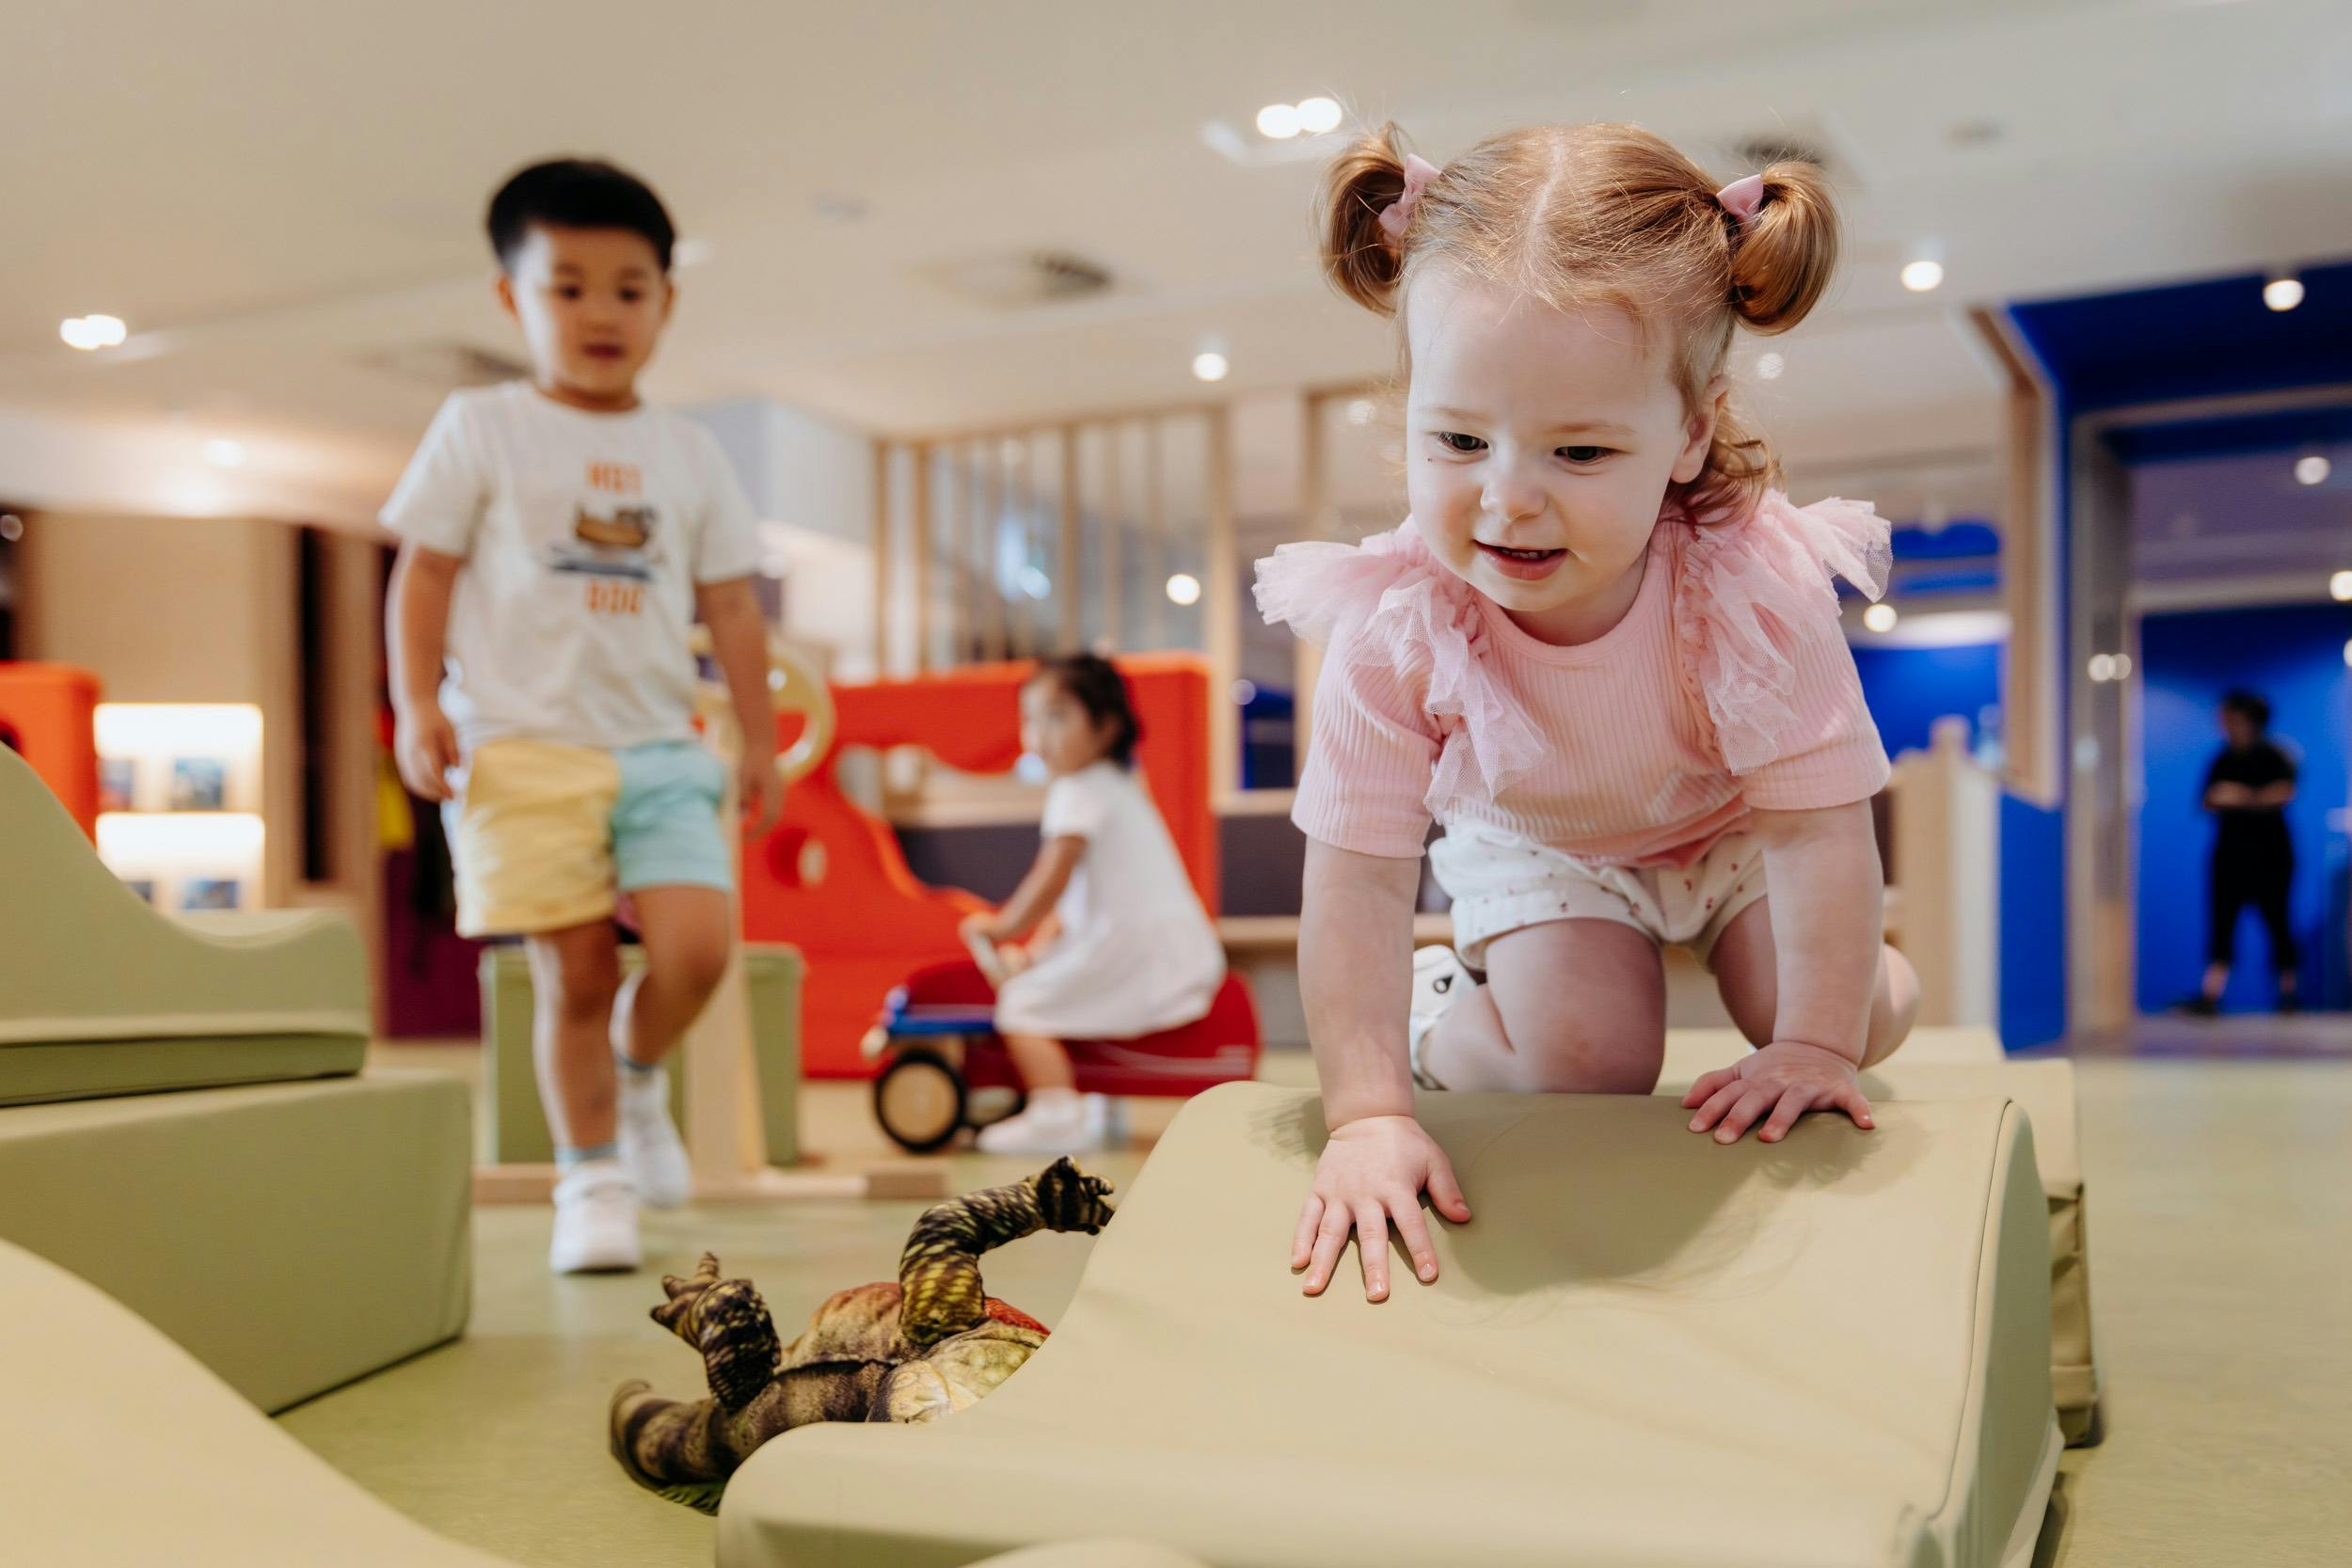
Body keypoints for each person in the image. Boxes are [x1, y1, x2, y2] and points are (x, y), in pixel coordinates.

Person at [1256, 123, 1920, 1303]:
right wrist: (1365, 1115)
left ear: (1690, 433)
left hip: (1732, 832)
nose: (1508, 498)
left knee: (1854, 1013)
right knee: (1583, 1063)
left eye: (1577, 448)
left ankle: (1843, 1001)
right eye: (1456, 438)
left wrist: (1816, 1042)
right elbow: (1356, 874)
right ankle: (1437, 1011)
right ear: (1409, 413)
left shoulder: (1749, 588)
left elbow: (1819, 826)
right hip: (1542, 843)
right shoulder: (1400, 625)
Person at [383, 158, 784, 1274]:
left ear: (665, 301)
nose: (599, 311)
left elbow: (734, 606)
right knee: (574, 972)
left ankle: (639, 1074)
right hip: (519, 744)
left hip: (659, 744)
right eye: (566, 286)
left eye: (627, 285)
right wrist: (417, 701)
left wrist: (756, 738)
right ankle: (592, 1175)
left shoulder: (690, 452)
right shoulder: (481, 426)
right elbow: (421, 574)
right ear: (513, 299)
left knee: (698, 955)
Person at [959, 656, 1226, 1155]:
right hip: (1166, 946)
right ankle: (1089, 1099)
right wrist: (1037, 950)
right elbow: (1075, 902)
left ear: (1106, 728)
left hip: (1134, 952)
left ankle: (1054, 1114)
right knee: (1043, 979)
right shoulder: (1115, 783)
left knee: (1021, 1006)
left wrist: (1004, 926)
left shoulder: (1078, 789)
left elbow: (1051, 880)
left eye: (1057, 717)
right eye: (1030, 719)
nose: (1038, 735)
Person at [2180, 689, 2299, 1015]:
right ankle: (2211, 995)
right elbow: (2208, 800)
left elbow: (2284, 793)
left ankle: (2288, 995)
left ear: (2247, 719)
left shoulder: (2276, 754)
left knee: (2278, 921)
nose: (2223, 724)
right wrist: (2256, 798)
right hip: (2229, 853)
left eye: (2229, 717)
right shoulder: (2221, 758)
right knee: (2222, 921)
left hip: (2272, 854)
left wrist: (2239, 796)